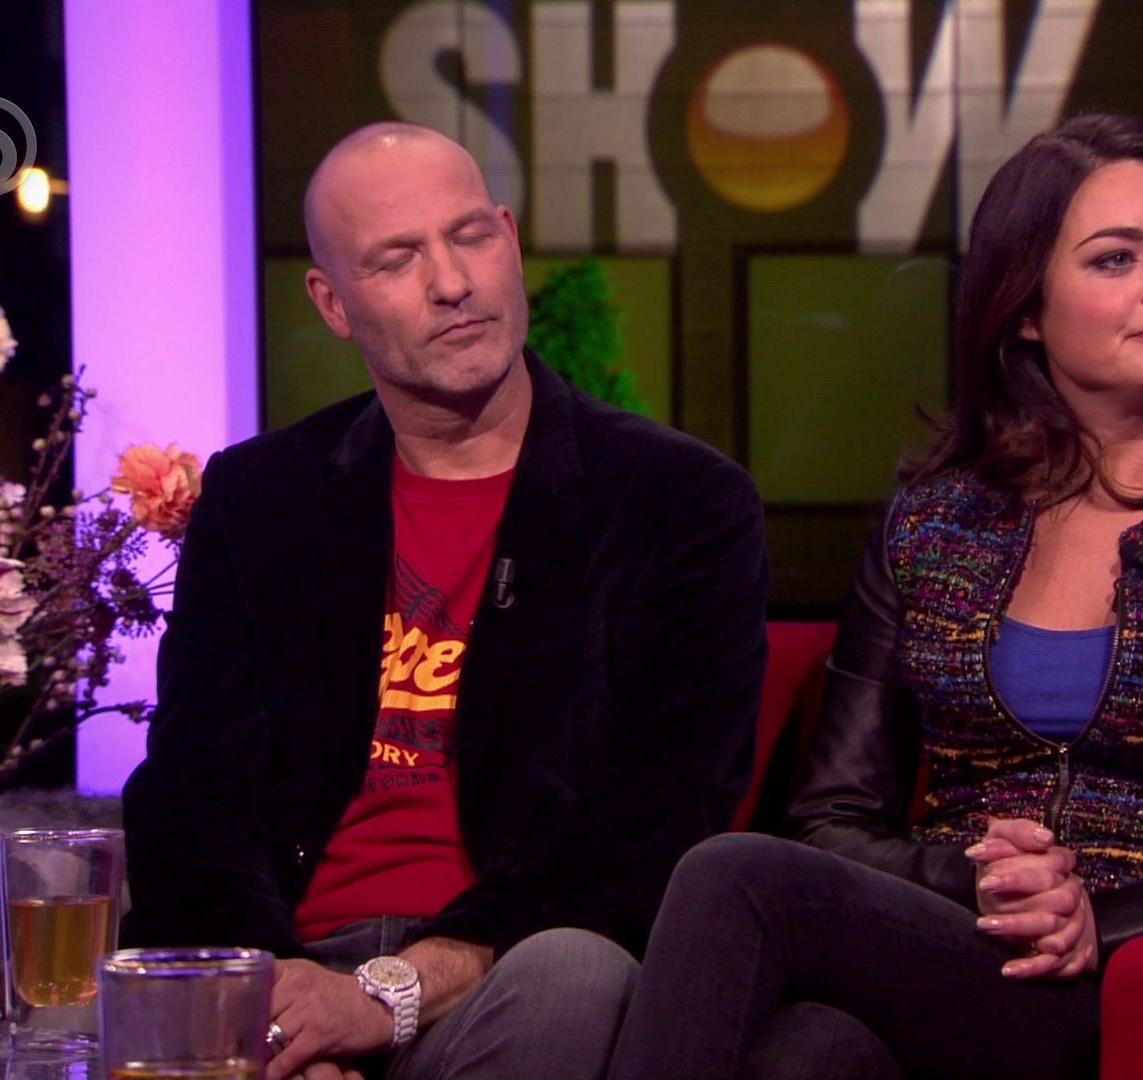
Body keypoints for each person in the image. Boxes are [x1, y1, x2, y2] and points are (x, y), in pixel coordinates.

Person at [606, 113, 1143, 1080]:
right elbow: (832, 818)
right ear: (1026, 310)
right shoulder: (935, 526)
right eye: (1116, 259)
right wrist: (985, 882)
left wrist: (1104, 915)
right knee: (809, 1056)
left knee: (736, 877)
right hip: (966, 951)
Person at [120, 122, 769, 1080]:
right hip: (289, 964)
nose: (453, 282)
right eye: (398, 259)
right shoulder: (260, 500)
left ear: (510, 240)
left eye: (470, 237)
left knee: (573, 974)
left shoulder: (678, 503)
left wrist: (389, 993)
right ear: (332, 305)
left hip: (498, 971)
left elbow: (655, 826)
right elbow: (189, 797)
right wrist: (280, 1015)